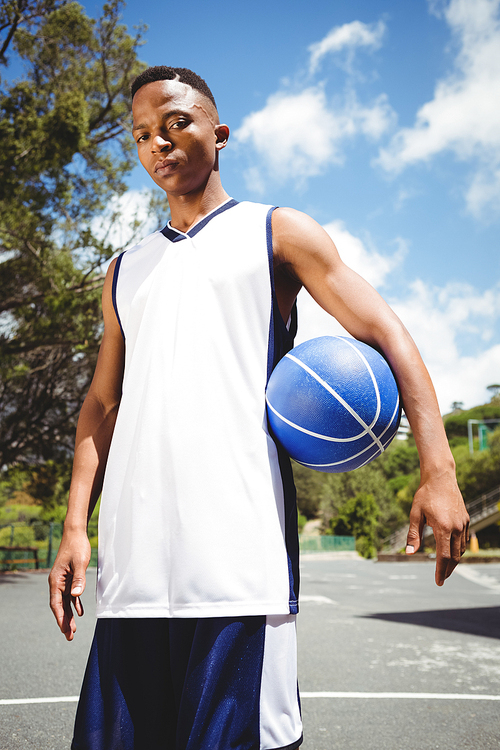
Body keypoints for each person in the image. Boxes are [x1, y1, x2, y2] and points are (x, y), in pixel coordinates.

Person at [49, 66, 469, 750]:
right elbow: (101, 404)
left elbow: (386, 331)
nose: (161, 143)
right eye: (143, 134)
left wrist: (438, 468)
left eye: (177, 123)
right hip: (133, 573)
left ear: (219, 132)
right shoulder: (126, 269)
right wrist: (75, 525)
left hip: (239, 567)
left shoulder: (276, 233)